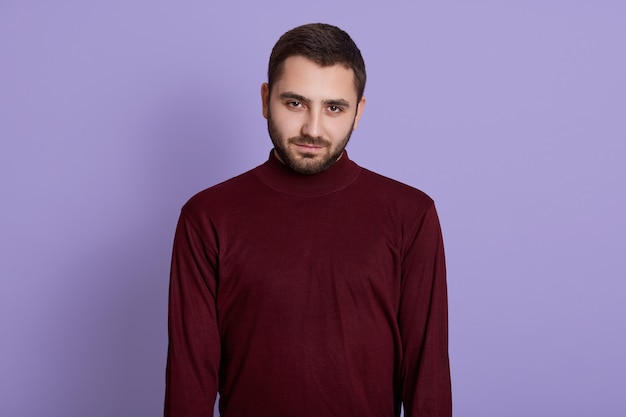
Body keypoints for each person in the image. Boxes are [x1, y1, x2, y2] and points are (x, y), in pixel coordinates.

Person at [164, 23, 451, 417]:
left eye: (334, 107)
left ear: (358, 112)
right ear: (266, 99)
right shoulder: (207, 217)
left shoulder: (411, 215)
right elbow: (188, 381)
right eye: (295, 103)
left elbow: (428, 376)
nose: (312, 129)